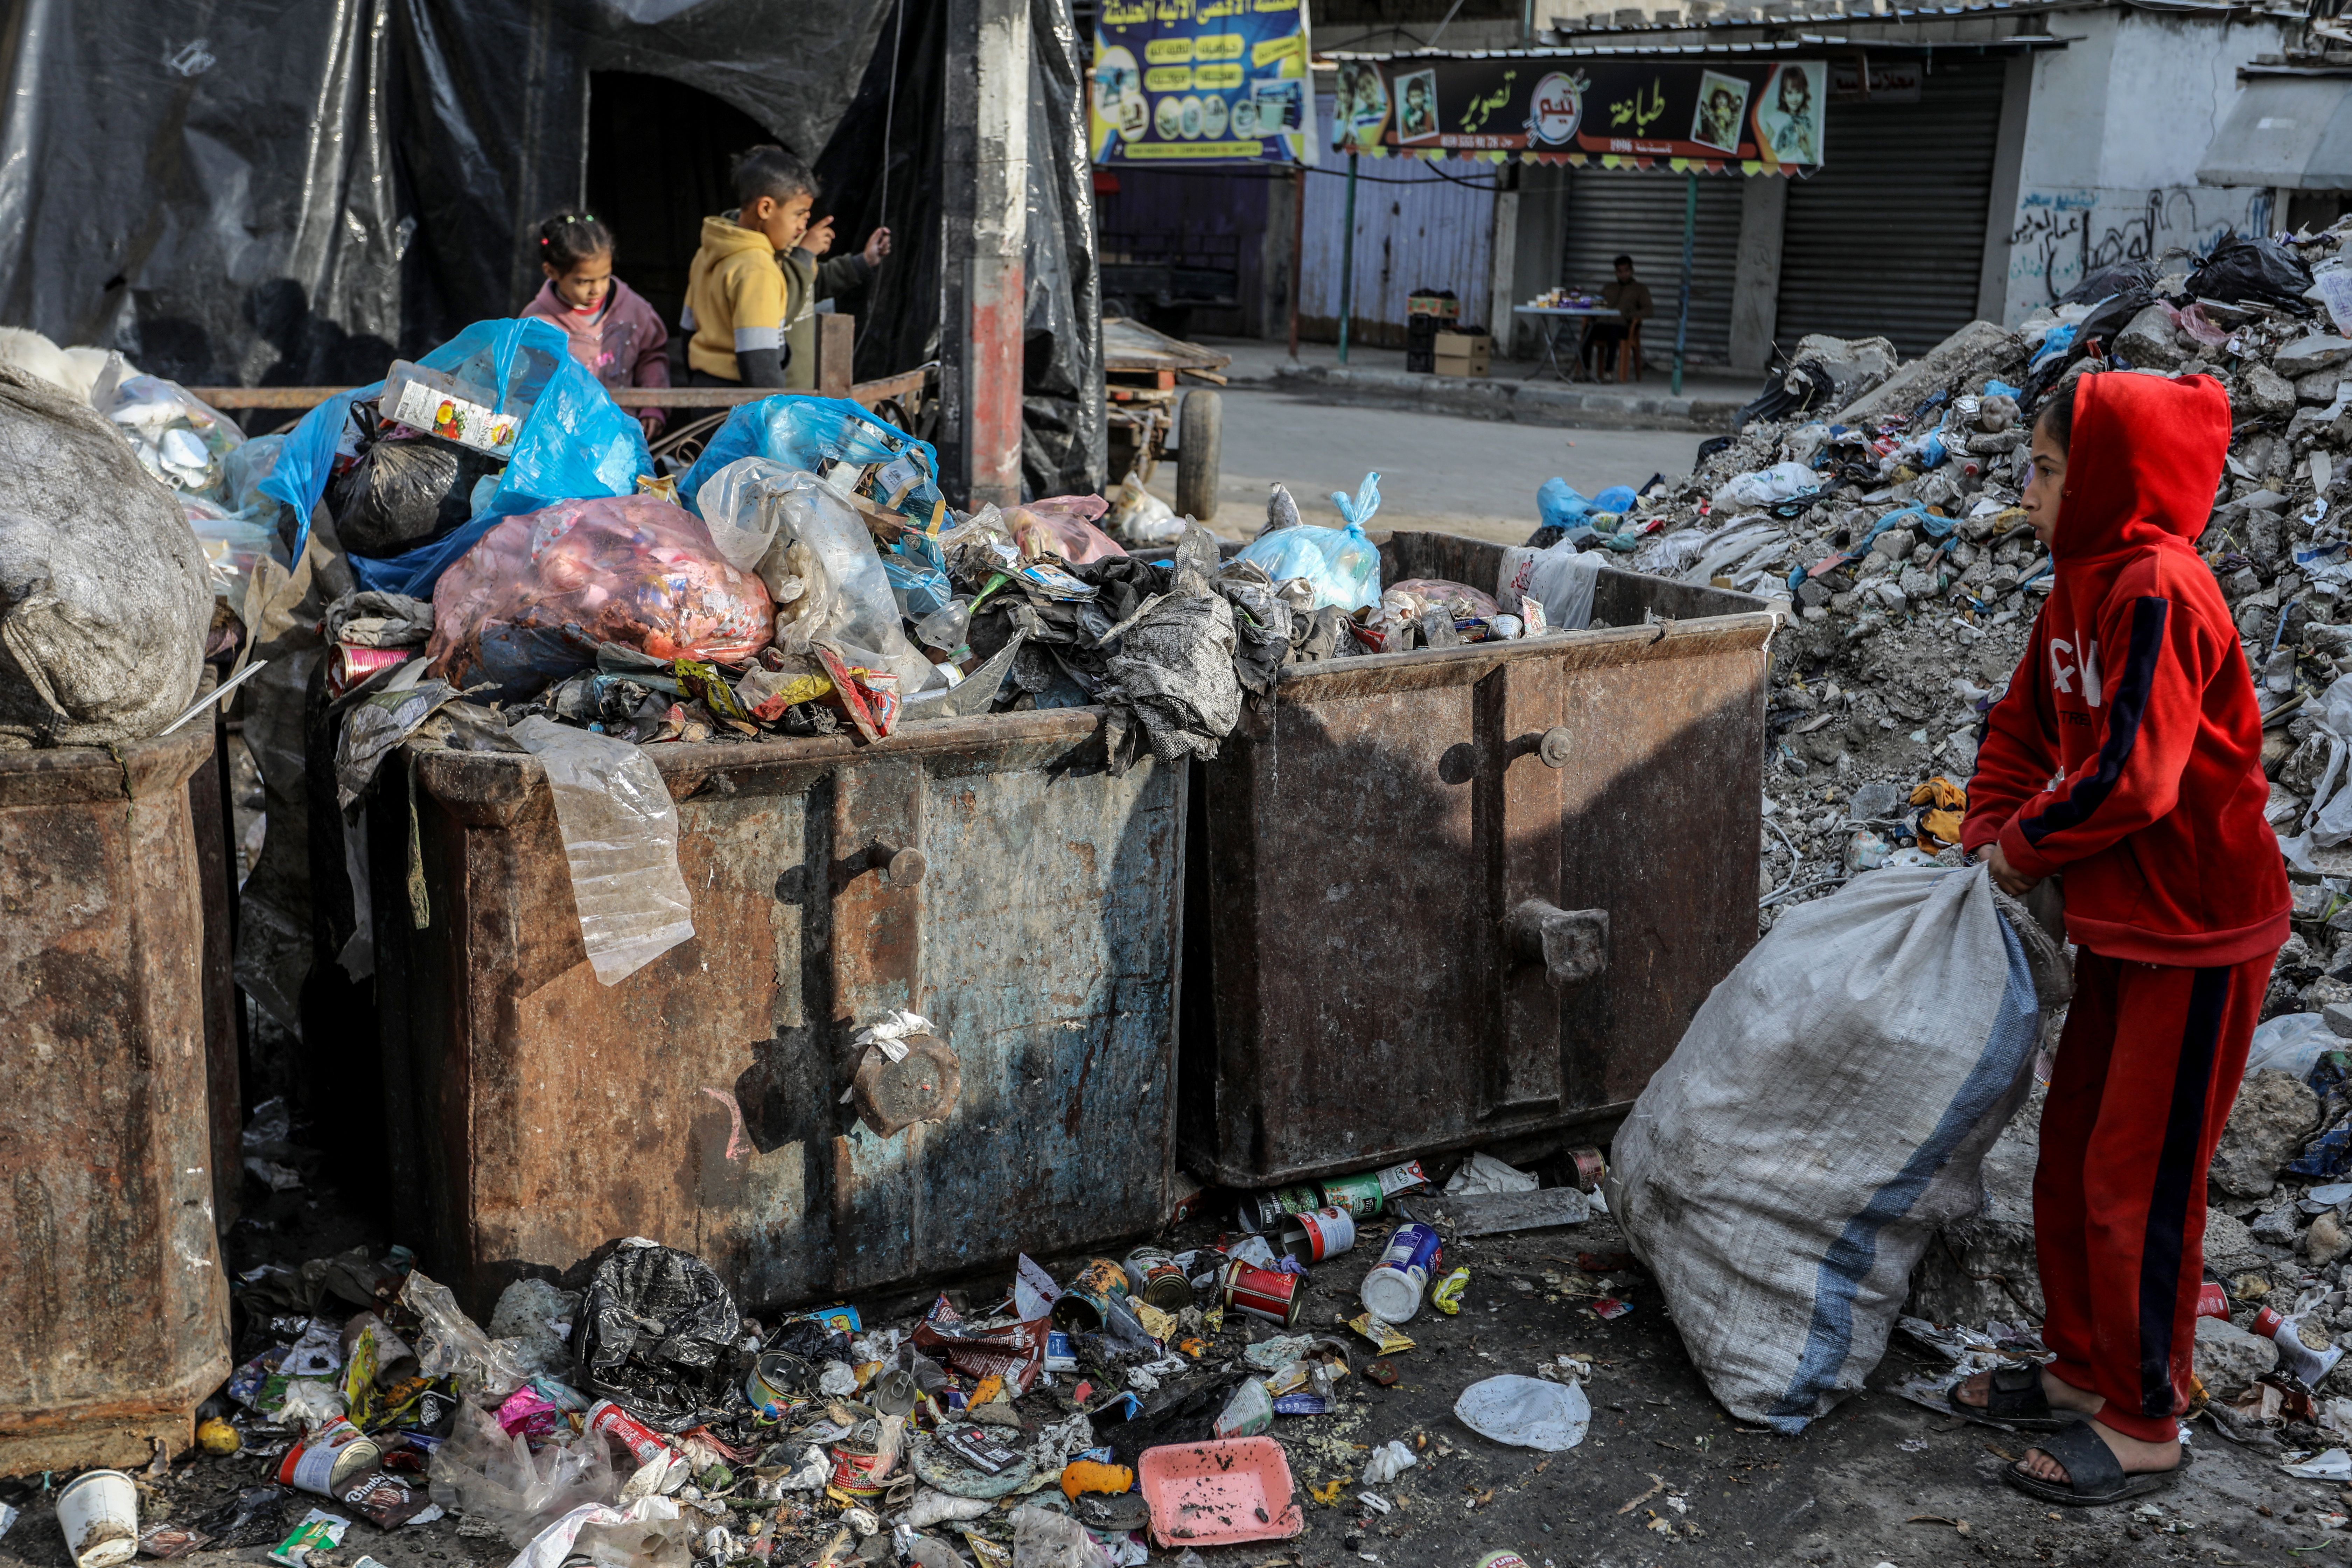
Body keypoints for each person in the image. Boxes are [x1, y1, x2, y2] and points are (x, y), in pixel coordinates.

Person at [1949, 370, 2288, 1506]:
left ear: (2106, 479)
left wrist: (2020, 851)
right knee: (2073, 1153)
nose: (2030, 496)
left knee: (2138, 1181)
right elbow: (2020, 729)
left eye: (2048, 471)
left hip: (2199, 934)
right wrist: (1985, 833)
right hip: (2123, 929)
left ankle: (2145, 1423)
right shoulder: (2079, 585)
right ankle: (2083, 1372)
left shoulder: (2158, 590)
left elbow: (2136, 778)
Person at [682, 145, 891, 391]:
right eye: (799, 215)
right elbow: (760, 359)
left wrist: (863, 262)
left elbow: (688, 329)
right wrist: (777, 411)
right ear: (766, 209)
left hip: (707, 390)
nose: (803, 227)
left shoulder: (709, 251)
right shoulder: (757, 268)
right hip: (741, 397)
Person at [518, 212, 670, 442]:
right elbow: (527, 384)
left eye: (605, 277)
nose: (597, 290)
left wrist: (654, 406)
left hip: (625, 435)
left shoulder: (635, 310)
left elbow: (652, 356)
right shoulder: (537, 322)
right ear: (551, 272)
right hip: (565, 442)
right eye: (584, 282)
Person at [1581, 255, 1653, 379]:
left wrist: (1631, 316)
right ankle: (1586, 370)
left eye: (1626, 271)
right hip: (1604, 323)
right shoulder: (1609, 288)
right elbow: (1598, 303)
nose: (1624, 274)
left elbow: (1649, 310)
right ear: (1616, 273)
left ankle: (1609, 372)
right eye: (1620, 271)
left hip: (1623, 326)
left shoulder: (1640, 289)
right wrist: (1592, 309)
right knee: (1588, 330)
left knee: (1613, 332)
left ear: (1632, 271)